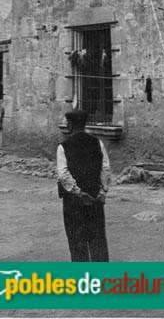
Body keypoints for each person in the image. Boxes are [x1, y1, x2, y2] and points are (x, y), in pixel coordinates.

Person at [56, 109, 110, 261]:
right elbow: (105, 168)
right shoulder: (97, 143)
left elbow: (63, 174)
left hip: (74, 201)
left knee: (77, 240)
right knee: (97, 238)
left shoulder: (63, 147)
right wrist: (102, 190)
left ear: (71, 125)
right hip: (95, 197)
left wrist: (78, 192)